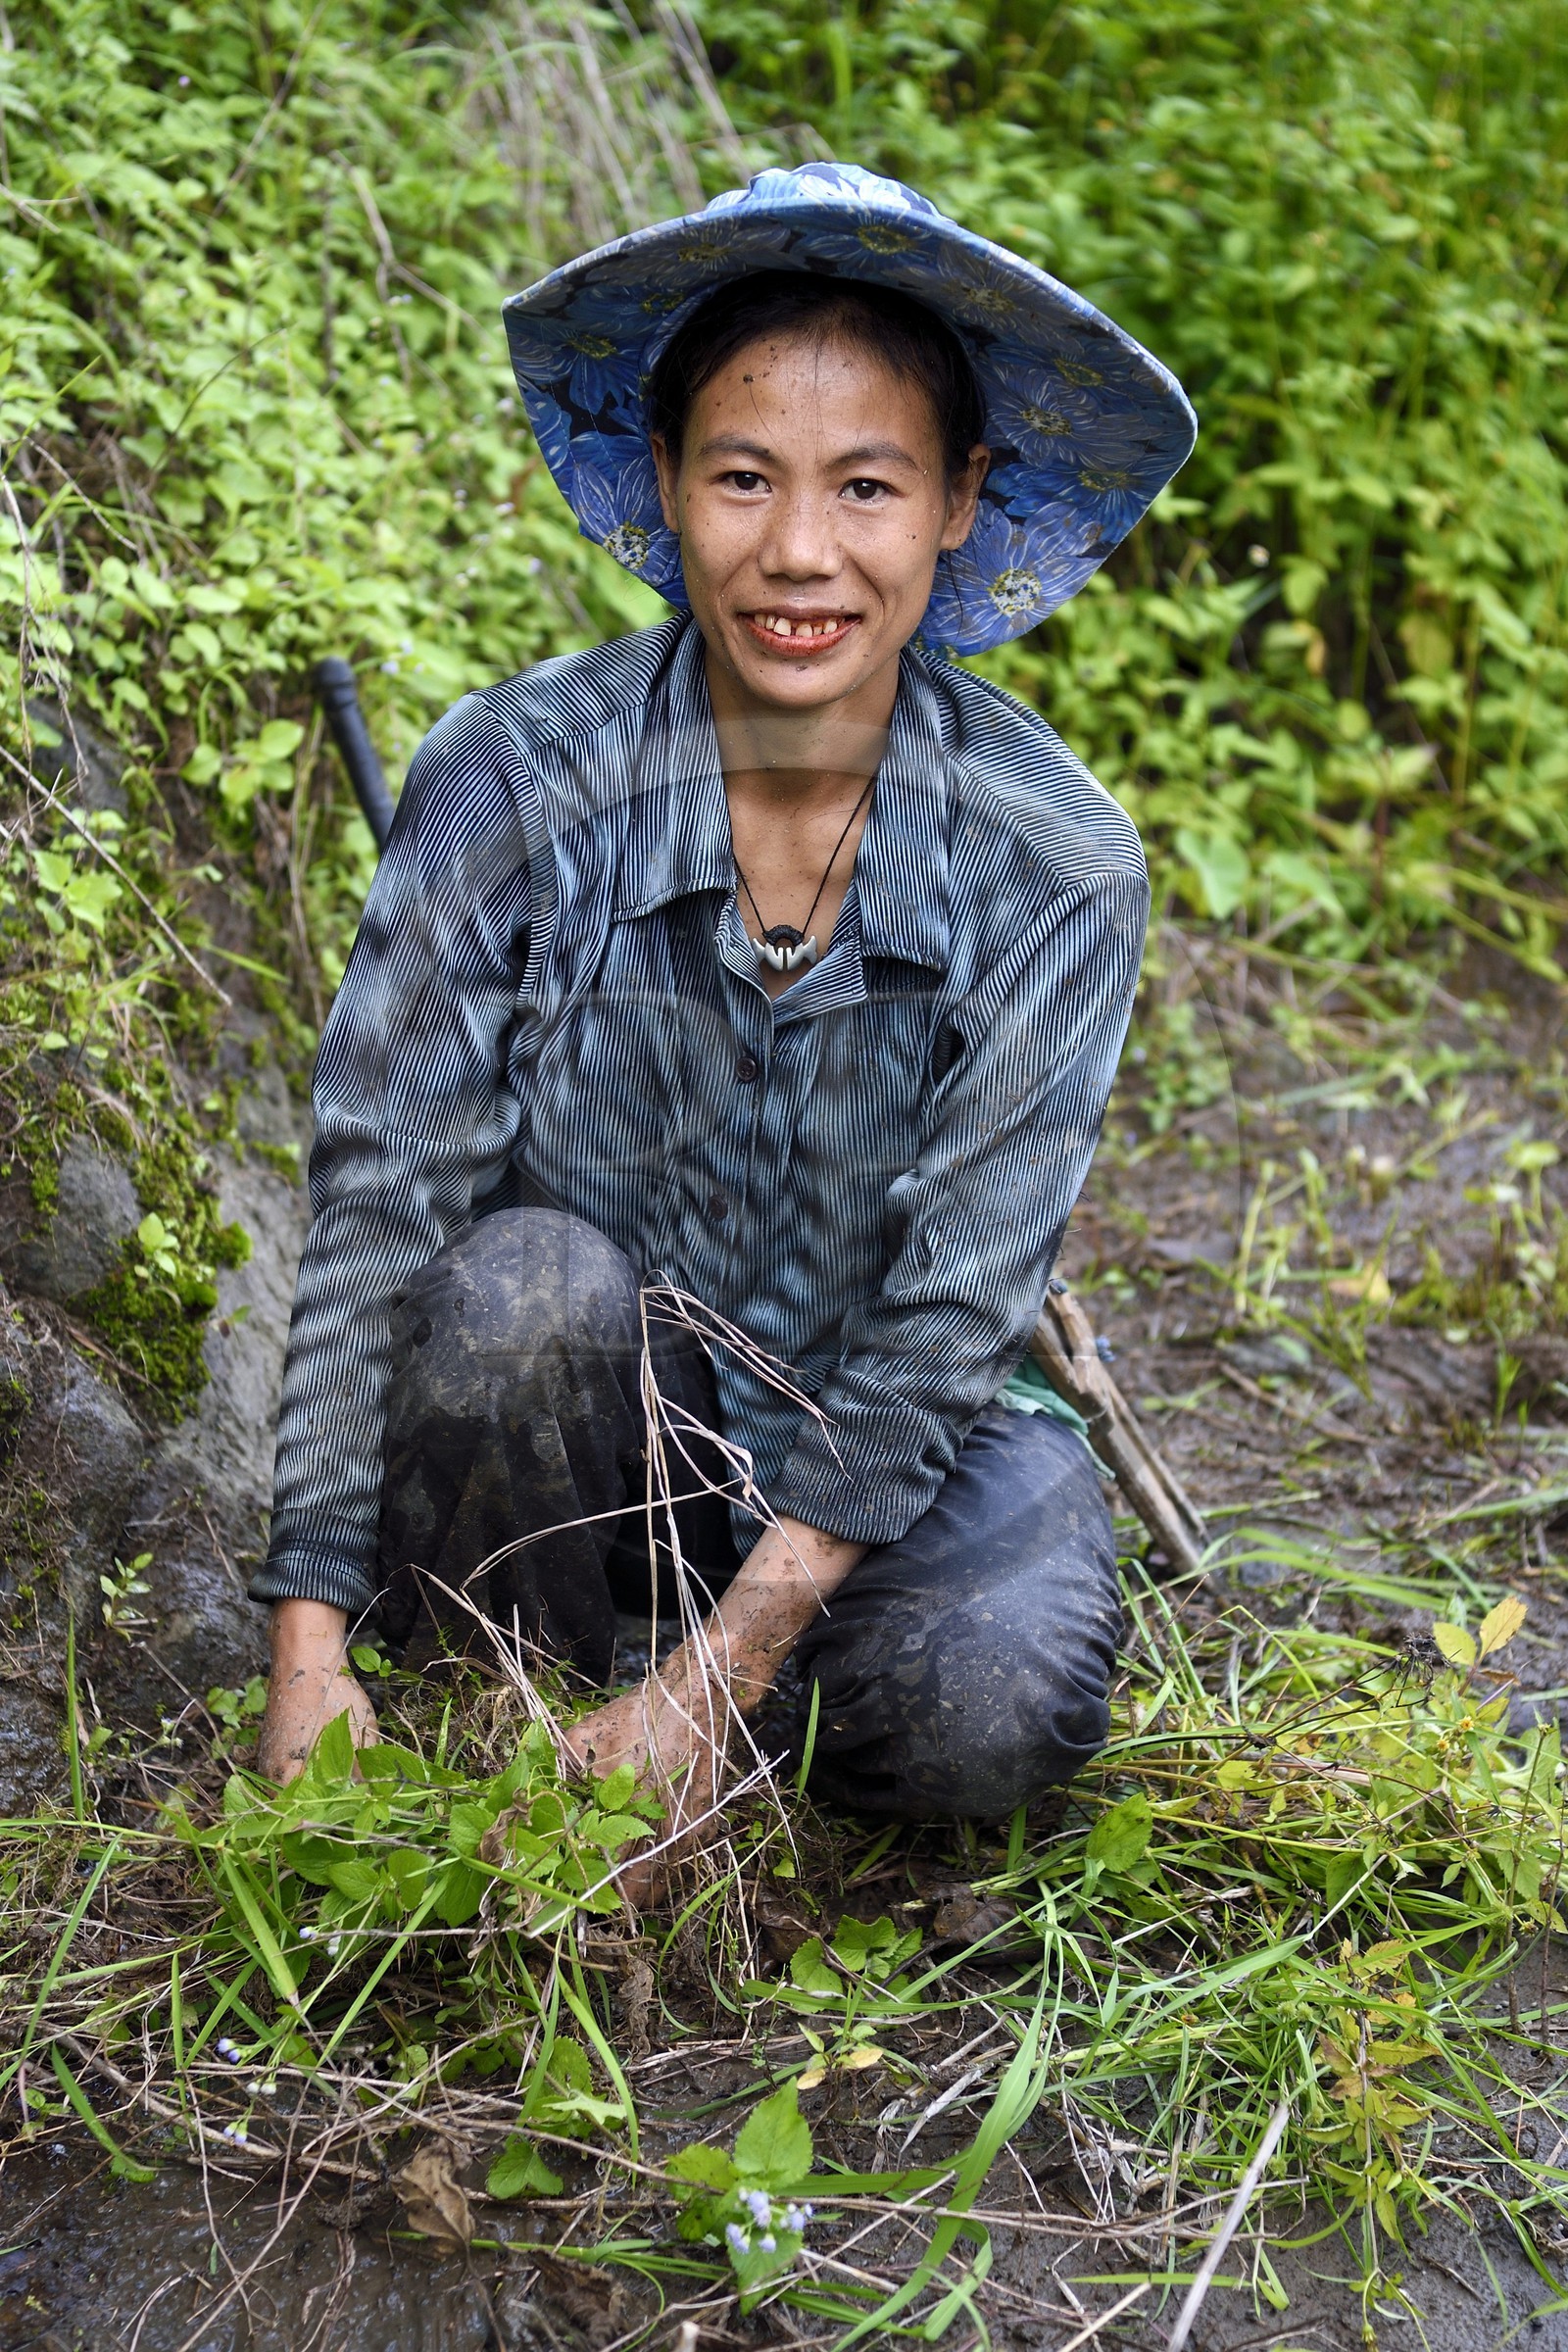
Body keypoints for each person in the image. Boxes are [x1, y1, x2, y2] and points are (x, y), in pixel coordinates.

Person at [254, 164, 1196, 1872]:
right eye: (744, 477)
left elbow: (949, 1324)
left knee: (993, 1712)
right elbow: (376, 1216)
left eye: (868, 487)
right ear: (668, 483)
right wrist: (304, 1649)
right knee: (514, 1288)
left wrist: (712, 1685)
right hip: (580, 1438)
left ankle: (718, 1712)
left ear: (962, 502)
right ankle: (504, 1707)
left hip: (883, 1450)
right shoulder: (513, 778)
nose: (800, 554)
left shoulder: (1055, 864)